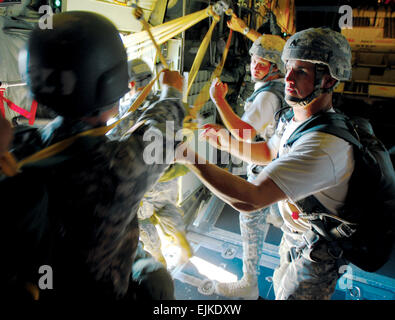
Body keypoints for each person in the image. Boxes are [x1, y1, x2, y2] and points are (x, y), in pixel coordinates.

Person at [0, 11, 185, 301]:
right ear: (111, 84)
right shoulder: (117, 168)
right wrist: (173, 91)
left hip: (44, 285)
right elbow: (165, 130)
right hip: (100, 290)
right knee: (156, 281)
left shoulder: (22, 146)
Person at [177, 27, 354, 300]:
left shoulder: (323, 146)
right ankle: (251, 284)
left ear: (328, 81)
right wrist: (225, 143)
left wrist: (188, 156)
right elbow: (269, 151)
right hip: (295, 235)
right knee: (282, 283)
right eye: (288, 68)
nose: (288, 78)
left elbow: (251, 199)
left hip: (317, 251)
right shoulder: (297, 120)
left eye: (301, 72)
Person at [201, 15, 286, 299]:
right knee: (280, 218)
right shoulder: (281, 87)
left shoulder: (266, 97)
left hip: (264, 173)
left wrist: (219, 101)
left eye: (261, 64)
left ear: (274, 68)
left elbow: (244, 134)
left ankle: (249, 283)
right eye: (253, 61)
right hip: (277, 171)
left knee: (250, 220)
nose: (254, 67)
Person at [108, 58, 192, 268]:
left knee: (141, 221)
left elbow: (114, 139)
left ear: (131, 84)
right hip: (168, 175)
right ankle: (180, 237)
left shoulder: (128, 108)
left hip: (145, 180)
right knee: (166, 207)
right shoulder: (163, 101)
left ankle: (157, 256)